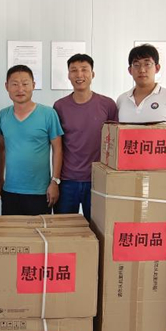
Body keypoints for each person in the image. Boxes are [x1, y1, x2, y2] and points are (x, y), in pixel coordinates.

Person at [53, 53, 118, 221]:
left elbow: (115, 143)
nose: (79, 74)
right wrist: (55, 180)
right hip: (67, 181)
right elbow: (57, 146)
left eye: (84, 69)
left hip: (98, 179)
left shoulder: (108, 105)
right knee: (64, 229)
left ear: (92, 74)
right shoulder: (59, 106)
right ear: (68, 75)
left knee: (98, 229)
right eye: (74, 70)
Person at [0, 65, 64, 216]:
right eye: (15, 84)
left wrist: (55, 182)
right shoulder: (3, 115)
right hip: (10, 190)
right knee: (10, 230)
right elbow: (0, 148)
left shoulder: (48, 114)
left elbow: (58, 149)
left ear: (33, 85)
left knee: (39, 231)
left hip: (40, 191)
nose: (20, 89)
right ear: (7, 87)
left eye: (25, 84)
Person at [117, 44, 166, 124]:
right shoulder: (122, 100)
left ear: (157, 68)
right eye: (136, 65)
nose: (142, 70)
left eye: (147, 64)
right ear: (130, 70)